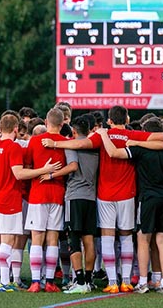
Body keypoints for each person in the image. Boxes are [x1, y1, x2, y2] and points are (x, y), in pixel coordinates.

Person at [42, 105, 163, 294]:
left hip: (105, 194)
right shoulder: (132, 135)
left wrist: (55, 144)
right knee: (126, 237)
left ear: (109, 120)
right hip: (127, 194)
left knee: (108, 238)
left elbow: (80, 144)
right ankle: (126, 281)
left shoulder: (103, 135)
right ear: (126, 119)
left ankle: (112, 282)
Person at [95, 117, 163, 295]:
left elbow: (114, 153)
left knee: (143, 240)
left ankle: (143, 282)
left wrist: (104, 135)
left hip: (148, 198)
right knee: (162, 241)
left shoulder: (140, 149)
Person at [0, 113, 63, 292]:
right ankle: (5, 282)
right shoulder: (13, 148)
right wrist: (43, 170)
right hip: (9, 199)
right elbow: (19, 174)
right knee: (7, 239)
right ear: (15, 129)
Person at [25, 108, 79, 293]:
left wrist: (44, 172)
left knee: (37, 238)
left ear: (46, 122)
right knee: (53, 239)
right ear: (63, 123)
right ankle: (50, 281)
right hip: (57, 194)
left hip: (37, 194)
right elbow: (73, 166)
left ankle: (34, 282)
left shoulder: (34, 140)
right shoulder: (66, 142)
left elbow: (27, 166)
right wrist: (54, 174)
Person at [62, 114, 99, 294]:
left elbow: (72, 166)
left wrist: (53, 174)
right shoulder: (95, 148)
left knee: (74, 239)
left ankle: (80, 281)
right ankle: (89, 279)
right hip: (91, 198)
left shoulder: (71, 146)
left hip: (74, 196)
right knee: (89, 239)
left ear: (74, 131)